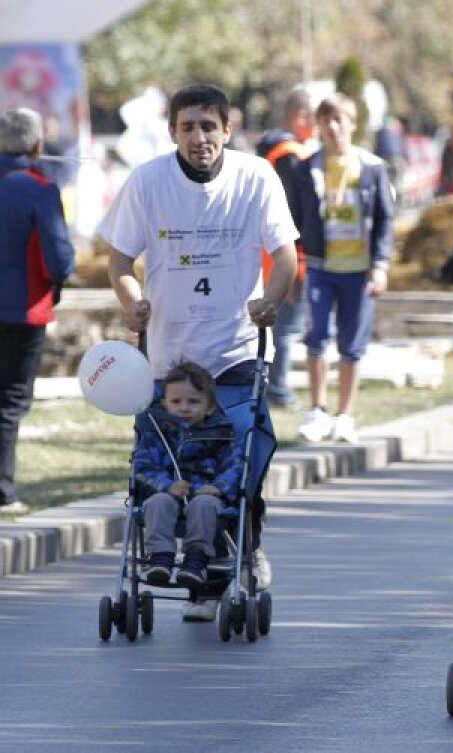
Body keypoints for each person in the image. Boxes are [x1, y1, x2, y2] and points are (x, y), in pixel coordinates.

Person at [98, 83, 298, 619]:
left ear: (227, 131)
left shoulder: (256, 177)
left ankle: (239, 552)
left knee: (243, 458)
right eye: (187, 127)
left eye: (209, 126)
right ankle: (185, 562)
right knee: (168, 461)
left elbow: (284, 255)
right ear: (173, 133)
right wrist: (132, 302)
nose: (199, 137)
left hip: (235, 349)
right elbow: (118, 262)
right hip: (171, 358)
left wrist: (271, 301)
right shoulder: (148, 182)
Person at [291, 94, 394, 444]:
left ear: (353, 123)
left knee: (352, 344)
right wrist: (292, 266)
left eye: (340, 120)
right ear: (318, 125)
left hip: (359, 269)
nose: (333, 127)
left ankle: (345, 414)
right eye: (326, 120)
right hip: (320, 267)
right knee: (316, 337)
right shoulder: (306, 169)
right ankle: (317, 410)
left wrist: (380, 265)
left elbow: (384, 219)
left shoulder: (372, 167)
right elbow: (292, 221)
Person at [0, 108, 75, 516]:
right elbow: (60, 258)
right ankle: (3, 489)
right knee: (10, 402)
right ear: (37, 145)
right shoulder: (40, 189)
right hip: (22, 310)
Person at [134, 361, 243, 588]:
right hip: (168, 493)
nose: (184, 407)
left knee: (204, 504)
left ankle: (196, 558)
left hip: (206, 494)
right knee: (157, 502)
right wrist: (166, 485)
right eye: (176, 401)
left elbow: (236, 465)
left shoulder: (223, 434)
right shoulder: (158, 433)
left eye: (193, 402)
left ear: (210, 406)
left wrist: (219, 487)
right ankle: (160, 557)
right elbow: (143, 467)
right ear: (164, 404)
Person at [256, 88, 315, 410]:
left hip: (270, 254)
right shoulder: (289, 158)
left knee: (279, 323)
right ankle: (278, 389)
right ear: (300, 117)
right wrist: (297, 264)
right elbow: (295, 216)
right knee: (287, 327)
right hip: (287, 257)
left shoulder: (271, 152)